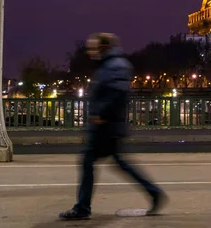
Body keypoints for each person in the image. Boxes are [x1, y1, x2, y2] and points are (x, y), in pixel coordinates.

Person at [59, 32, 166, 220]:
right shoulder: (112, 65)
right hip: (108, 126)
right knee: (119, 163)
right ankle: (153, 192)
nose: (90, 52)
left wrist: (101, 115)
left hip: (106, 127)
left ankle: (82, 208)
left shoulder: (114, 66)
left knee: (88, 161)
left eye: (93, 47)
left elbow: (118, 93)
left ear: (104, 47)